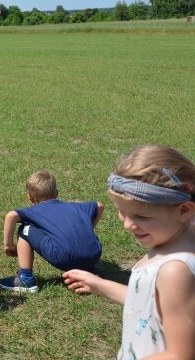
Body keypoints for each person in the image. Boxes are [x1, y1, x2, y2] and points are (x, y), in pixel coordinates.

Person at [63, 145, 195, 359]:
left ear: (184, 210)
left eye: (142, 217)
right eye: (121, 212)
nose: (128, 225)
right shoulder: (172, 242)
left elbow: (180, 354)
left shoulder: (175, 270)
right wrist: (102, 286)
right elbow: (148, 303)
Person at [0, 170, 104, 293]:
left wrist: (8, 245)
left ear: (30, 198)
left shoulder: (34, 211)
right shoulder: (75, 206)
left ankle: (25, 279)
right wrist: (87, 228)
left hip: (62, 256)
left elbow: (11, 216)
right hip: (93, 254)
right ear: (57, 193)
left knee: (25, 228)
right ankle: (88, 272)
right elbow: (99, 205)